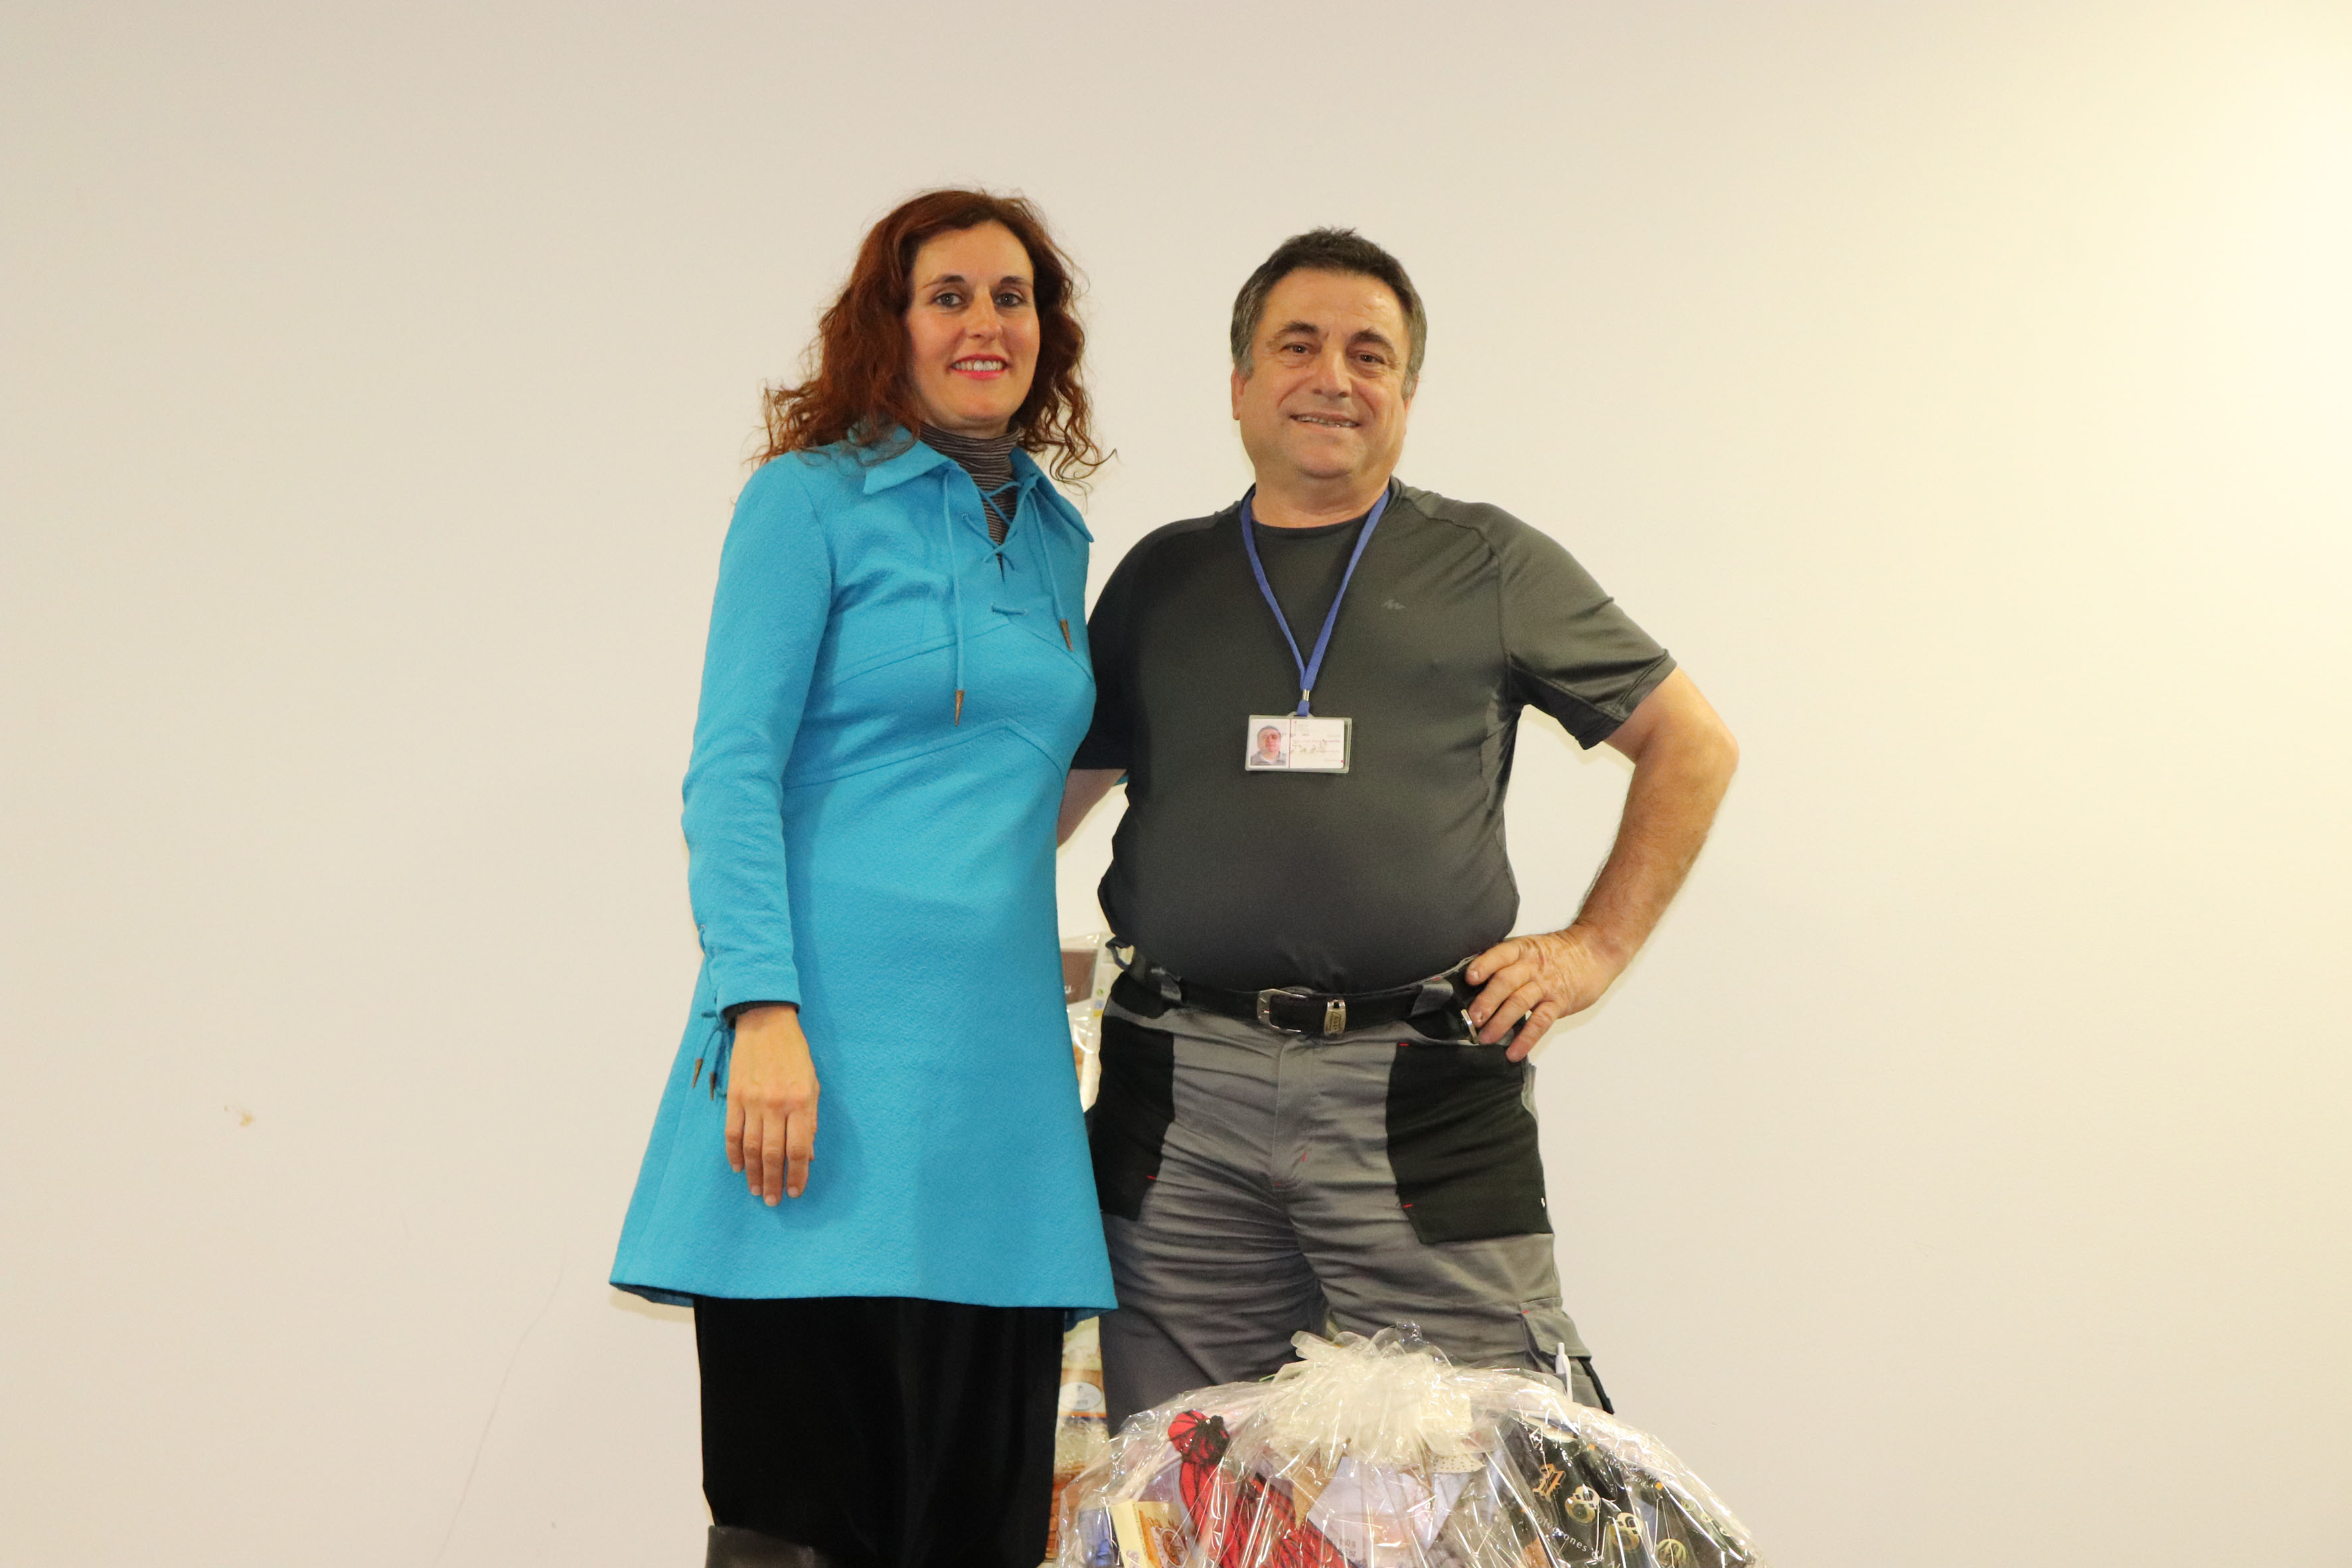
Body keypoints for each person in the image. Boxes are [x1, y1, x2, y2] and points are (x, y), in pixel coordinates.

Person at [1059, 228, 1740, 1425]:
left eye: (1369, 354)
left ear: (1408, 397)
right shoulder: (1161, 579)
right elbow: (1035, 813)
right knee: (1181, 1473)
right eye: (1298, 346)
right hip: (1179, 1095)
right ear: (1239, 385)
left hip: (1421, 1088)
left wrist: (1591, 950)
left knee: (1489, 1463)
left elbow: (1693, 742)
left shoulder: (1489, 562)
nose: (1334, 376)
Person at [611, 190, 1115, 1568]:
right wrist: (760, 1007)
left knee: (980, 1528)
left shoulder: (1059, 538)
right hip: (815, 1074)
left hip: (999, 1107)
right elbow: (730, 773)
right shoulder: (807, 500)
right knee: (802, 1525)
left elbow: (1015, 790)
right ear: (886, 325)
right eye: (947, 295)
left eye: (1011, 297)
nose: (984, 323)